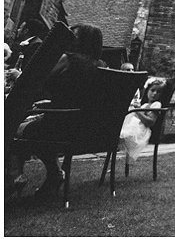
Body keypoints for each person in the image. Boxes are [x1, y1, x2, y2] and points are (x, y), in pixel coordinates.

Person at [6, 24, 105, 201]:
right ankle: (54, 174)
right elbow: (78, 97)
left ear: (79, 40)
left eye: (73, 36)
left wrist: (17, 76)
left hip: (59, 126)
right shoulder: (101, 67)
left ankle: (15, 175)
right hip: (85, 128)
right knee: (35, 126)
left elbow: (35, 81)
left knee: (11, 128)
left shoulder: (68, 59)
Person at [119, 79, 166, 164]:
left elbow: (150, 122)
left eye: (158, 92)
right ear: (147, 91)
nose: (154, 93)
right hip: (134, 127)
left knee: (119, 135)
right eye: (152, 90)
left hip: (141, 131)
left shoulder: (156, 105)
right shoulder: (144, 105)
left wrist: (137, 111)